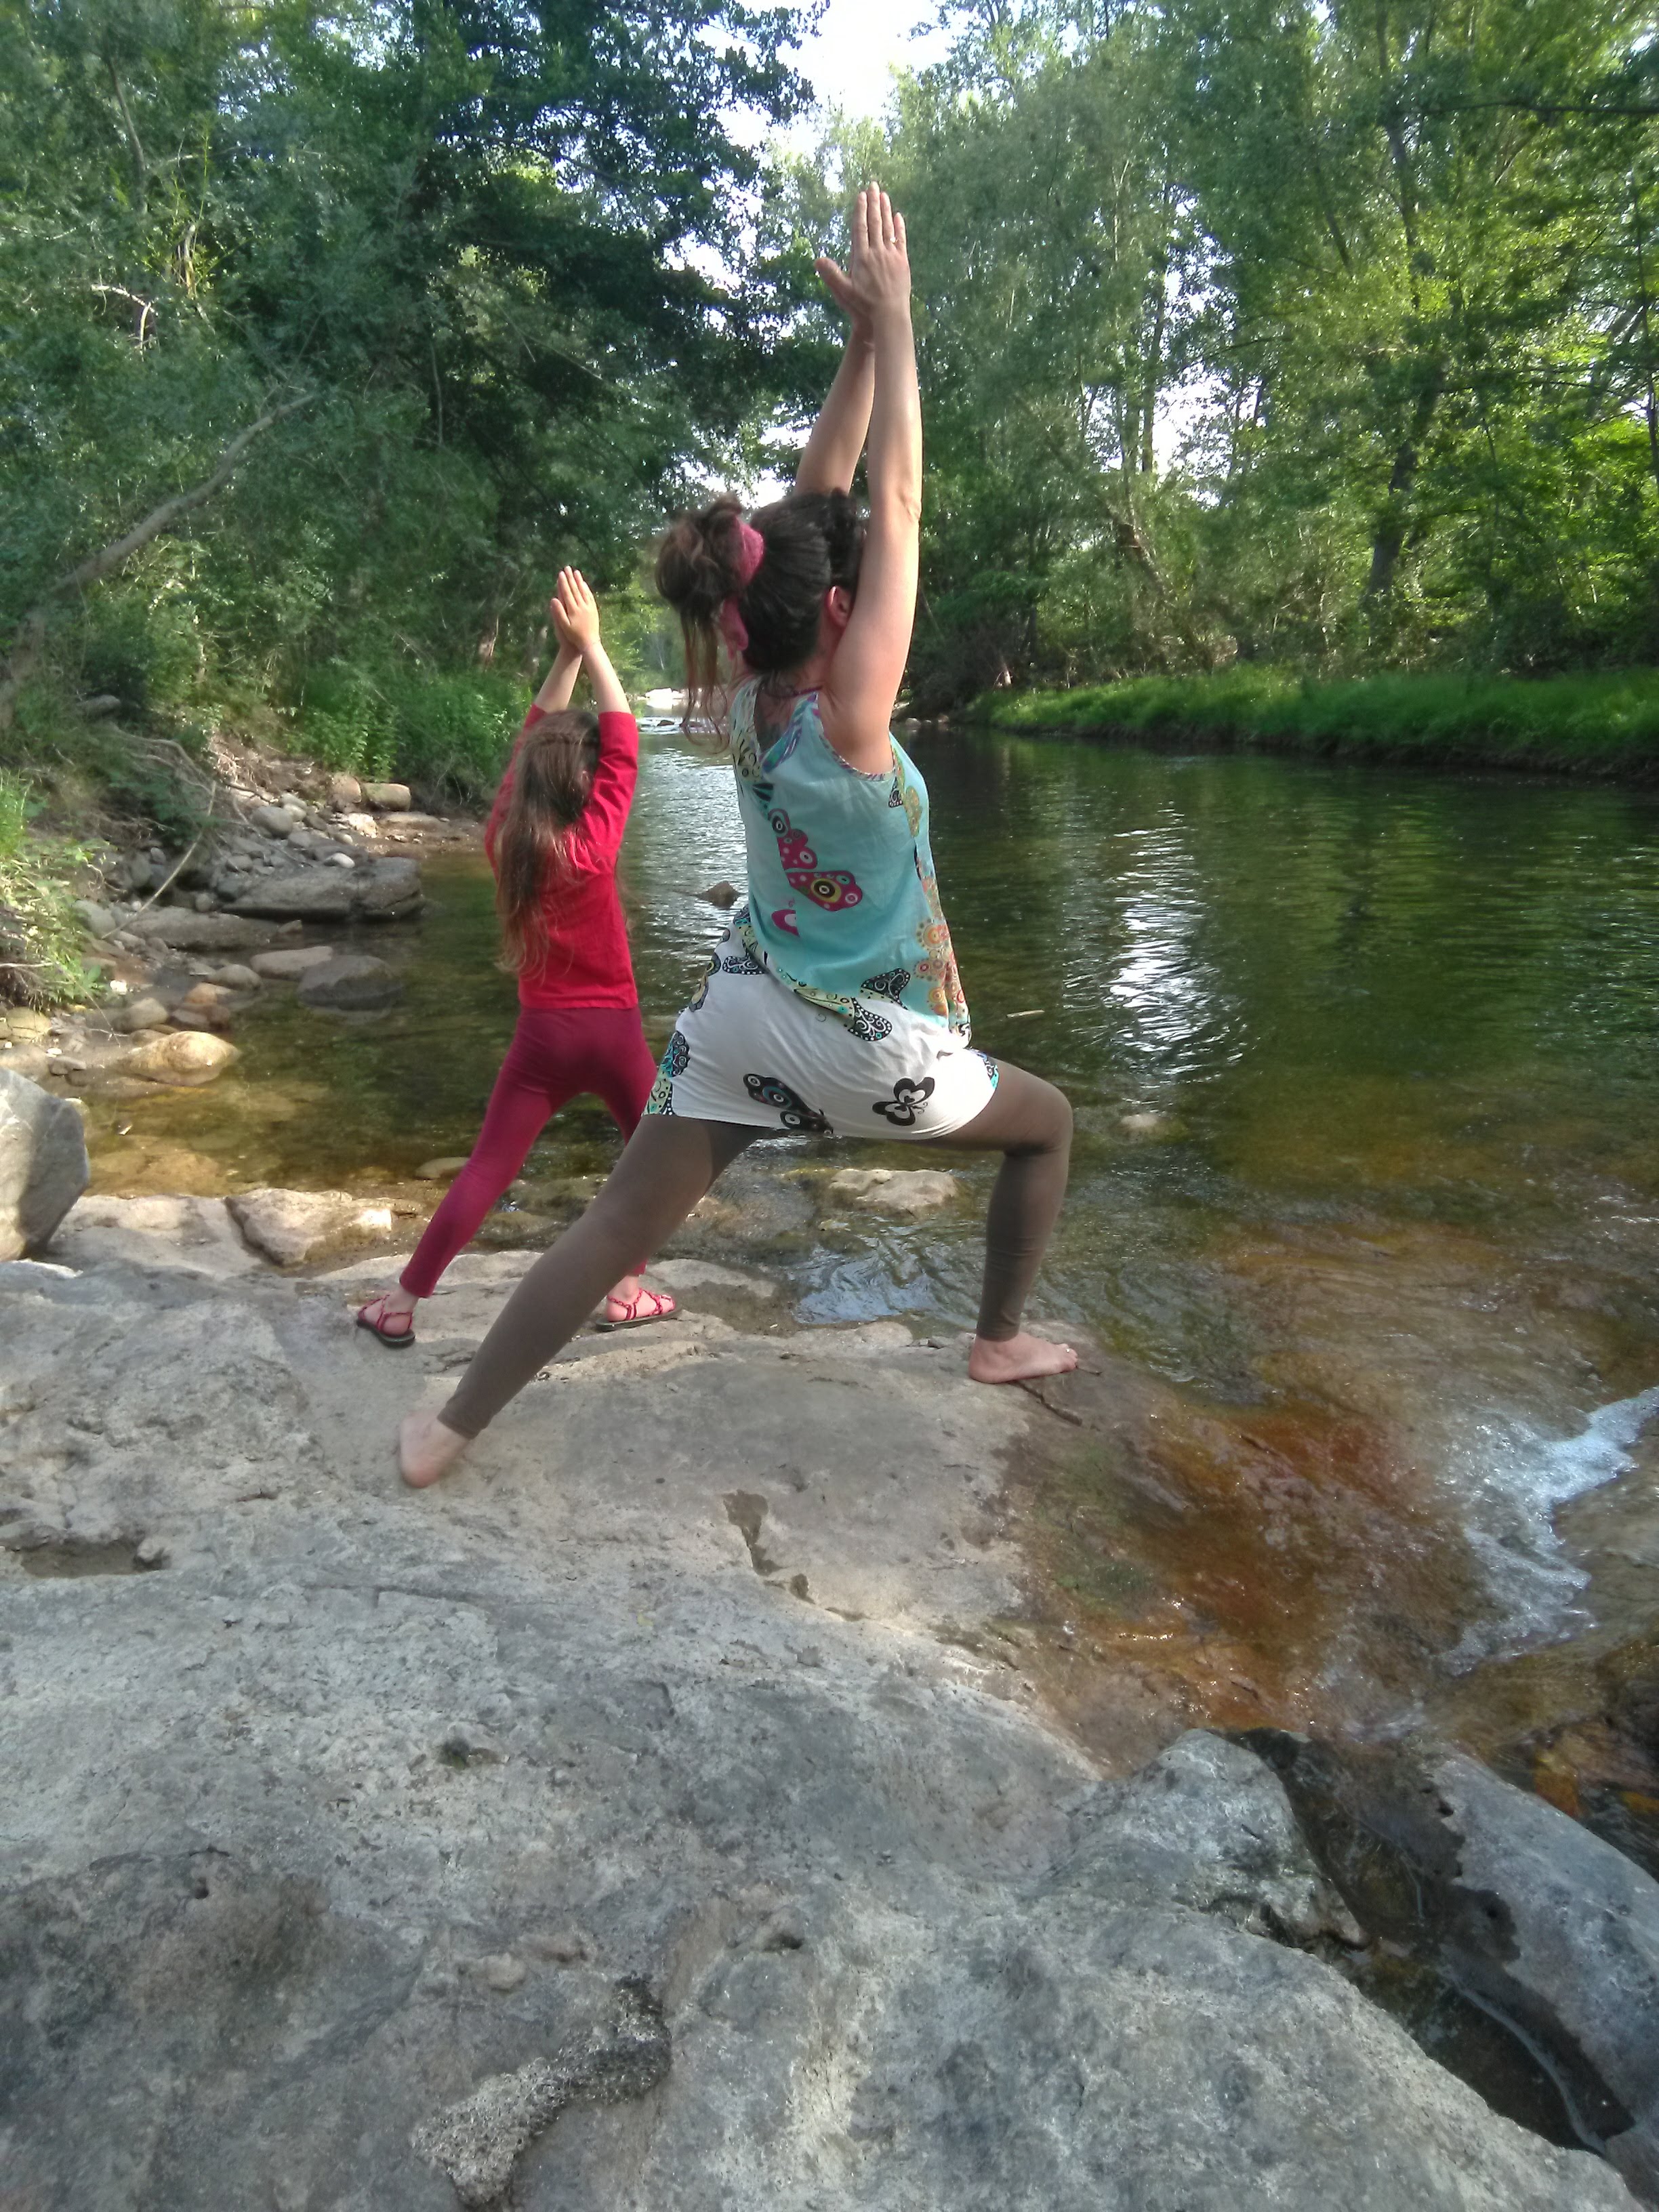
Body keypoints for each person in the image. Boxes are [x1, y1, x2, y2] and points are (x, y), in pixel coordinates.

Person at [398, 185, 1074, 1488]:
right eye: (857, 586)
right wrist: (904, 319)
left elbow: (819, 498)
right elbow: (896, 498)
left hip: (748, 1014)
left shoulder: (753, 702)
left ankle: (447, 1427)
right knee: (1047, 1126)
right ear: (839, 609)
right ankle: (996, 1341)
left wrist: (862, 345)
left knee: (613, 1222)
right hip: (882, 1050)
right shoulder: (855, 714)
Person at [356, 569, 676, 1347]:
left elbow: (533, 744)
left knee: (486, 1171)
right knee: (656, 1164)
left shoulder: (505, 843)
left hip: (542, 1041)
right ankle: (627, 1287)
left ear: (527, 782)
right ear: (587, 784)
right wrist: (593, 649)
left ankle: (401, 1303)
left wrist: (564, 656)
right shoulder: (595, 846)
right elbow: (625, 738)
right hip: (615, 1033)